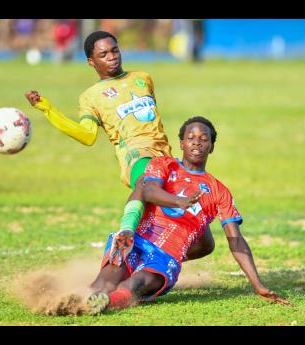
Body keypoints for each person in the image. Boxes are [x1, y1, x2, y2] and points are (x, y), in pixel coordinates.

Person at [25, 31, 215, 267]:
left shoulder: (143, 78)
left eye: (114, 50)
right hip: (136, 156)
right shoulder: (91, 97)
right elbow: (87, 136)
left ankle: (149, 261)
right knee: (146, 183)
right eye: (103, 54)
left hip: (167, 159)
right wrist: (47, 109)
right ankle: (124, 233)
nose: (112, 57)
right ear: (91, 62)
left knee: (205, 243)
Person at [86, 116, 291, 315]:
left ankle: (105, 303)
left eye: (204, 139)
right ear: (182, 143)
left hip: (165, 258)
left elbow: (236, 241)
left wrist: (258, 285)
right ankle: (74, 302)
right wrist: (180, 202)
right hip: (134, 241)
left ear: (211, 146)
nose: (197, 142)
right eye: (191, 138)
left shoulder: (219, 191)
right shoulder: (164, 165)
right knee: (106, 280)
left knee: (136, 283)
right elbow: (148, 191)